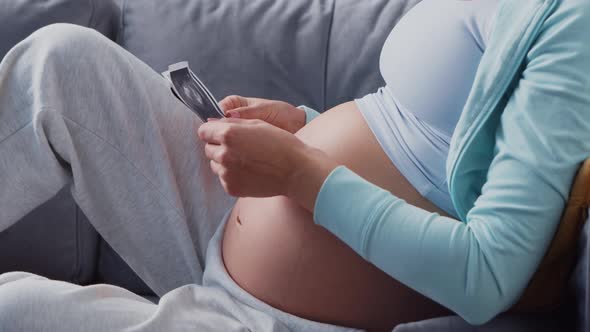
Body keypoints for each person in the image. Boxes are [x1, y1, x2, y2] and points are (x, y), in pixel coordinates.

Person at [1, 0, 589, 331]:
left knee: (15, 311)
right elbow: (429, 138)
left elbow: (486, 276)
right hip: (234, 212)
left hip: (284, 316)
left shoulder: (572, 28)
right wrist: (306, 125)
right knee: (61, 62)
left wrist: (298, 173)